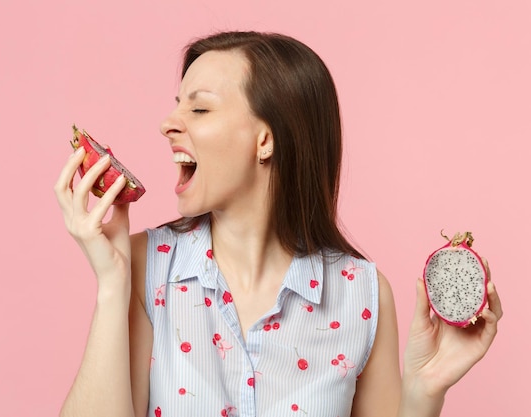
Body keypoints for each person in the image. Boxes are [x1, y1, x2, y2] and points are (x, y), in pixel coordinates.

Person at [54, 31, 502, 417]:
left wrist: (426, 390)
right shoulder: (144, 268)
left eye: (200, 110)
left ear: (265, 140)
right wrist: (111, 284)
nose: (167, 125)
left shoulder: (361, 293)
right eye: (177, 107)